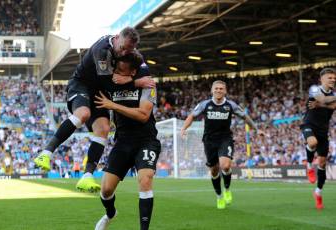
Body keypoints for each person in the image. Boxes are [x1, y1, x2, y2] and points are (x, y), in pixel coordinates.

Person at [34, 27, 154, 193]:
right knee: (83, 114)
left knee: (104, 128)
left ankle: (87, 176)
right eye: (123, 48)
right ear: (117, 37)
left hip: (99, 92)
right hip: (82, 85)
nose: (124, 52)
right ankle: (46, 153)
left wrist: (134, 76)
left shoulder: (130, 52)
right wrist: (134, 82)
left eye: (129, 49)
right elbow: (110, 85)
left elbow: (143, 71)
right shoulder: (102, 50)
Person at [93, 52, 160, 230]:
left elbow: (144, 115)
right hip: (122, 142)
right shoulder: (111, 85)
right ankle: (110, 213)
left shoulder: (148, 85)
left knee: (145, 179)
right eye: (117, 68)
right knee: (106, 190)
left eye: (123, 69)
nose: (118, 72)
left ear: (133, 71)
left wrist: (113, 105)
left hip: (146, 140)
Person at [180, 80, 261, 209]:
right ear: (212, 90)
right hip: (209, 140)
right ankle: (219, 196)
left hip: (225, 139)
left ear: (225, 91)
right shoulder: (205, 104)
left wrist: (256, 129)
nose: (218, 90)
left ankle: (227, 189)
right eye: (216, 88)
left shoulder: (231, 105)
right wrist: (183, 129)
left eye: (221, 89)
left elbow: (245, 117)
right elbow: (191, 116)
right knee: (214, 170)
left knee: (226, 165)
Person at [301, 67, 336, 210]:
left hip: (323, 130)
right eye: (330, 78)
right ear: (322, 79)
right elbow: (322, 99)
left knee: (322, 164)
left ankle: (318, 192)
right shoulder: (314, 89)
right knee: (312, 142)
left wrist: (322, 104)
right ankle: (309, 165)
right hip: (308, 124)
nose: (333, 80)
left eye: (334, 78)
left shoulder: (333, 94)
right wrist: (327, 103)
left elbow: (332, 104)